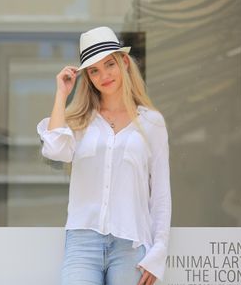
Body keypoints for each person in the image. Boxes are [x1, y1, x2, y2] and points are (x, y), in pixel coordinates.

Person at [36, 26, 171, 285]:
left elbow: (161, 195)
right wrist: (62, 94)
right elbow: (54, 149)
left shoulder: (152, 123)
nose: (104, 75)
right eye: (94, 70)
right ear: (87, 77)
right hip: (82, 243)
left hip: (130, 244)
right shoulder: (80, 122)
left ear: (123, 63)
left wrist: (158, 253)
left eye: (109, 64)